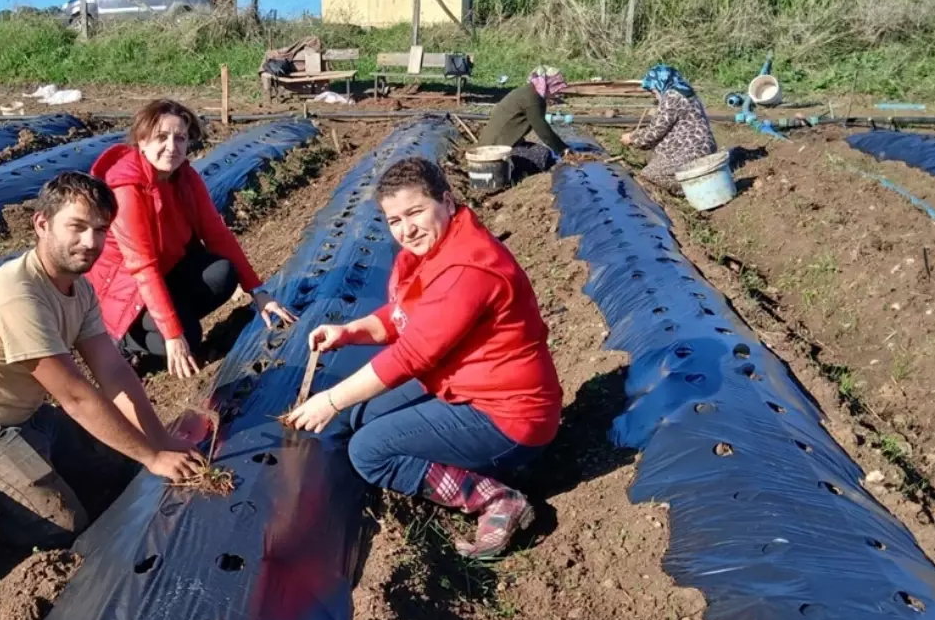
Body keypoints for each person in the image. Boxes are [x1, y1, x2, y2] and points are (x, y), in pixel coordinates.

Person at [0, 171, 206, 549]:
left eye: (100, 229)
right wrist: (152, 457)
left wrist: (158, 442)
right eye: (76, 227)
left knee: (121, 469)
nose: (90, 242)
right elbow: (75, 397)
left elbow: (111, 370)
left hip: (20, 415)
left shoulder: (78, 290)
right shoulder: (18, 297)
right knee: (62, 526)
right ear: (42, 224)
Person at [281, 157, 563, 559]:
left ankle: (494, 497)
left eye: (415, 212)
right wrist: (349, 332)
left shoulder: (468, 267)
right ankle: (469, 461)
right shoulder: (430, 251)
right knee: (363, 416)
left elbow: (410, 355)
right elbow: (403, 316)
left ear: (447, 202)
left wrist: (329, 400)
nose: (406, 229)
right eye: (394, 220)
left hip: (509, 418)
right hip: (464, 388)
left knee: (369, 452)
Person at [86, 99, 296, 379]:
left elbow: (216, 234)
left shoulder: (185, 177)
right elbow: (142, 266)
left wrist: (258, 292)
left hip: (165, 271)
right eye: (162, 137)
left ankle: (173, 320)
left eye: (180, 138)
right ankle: (126, 341)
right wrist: (173, 335)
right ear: (142, 140)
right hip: (126, 290)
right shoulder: (126, 188)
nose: (172, 146)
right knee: (187, 337)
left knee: (222, 273)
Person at [619, 63, 718, 195]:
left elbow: (656, 131)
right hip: (699, 146)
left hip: (693, 150)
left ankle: (694, 189)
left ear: (660, 83)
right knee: (654, 162)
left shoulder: (672, 96)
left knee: (650, 173)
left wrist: (632, 138)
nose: (653, 94)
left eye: (653, 90)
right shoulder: (683, 90)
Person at [479, 66, 573, 178]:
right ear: (547, 84)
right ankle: (514, 177)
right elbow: (542, 129)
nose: (558, 92)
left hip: (496, 143)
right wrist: (562, 149)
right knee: (543, 156)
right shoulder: (532, 98)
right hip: (495, 149)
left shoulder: (529, 92)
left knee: (542, 153)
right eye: (556, 87)